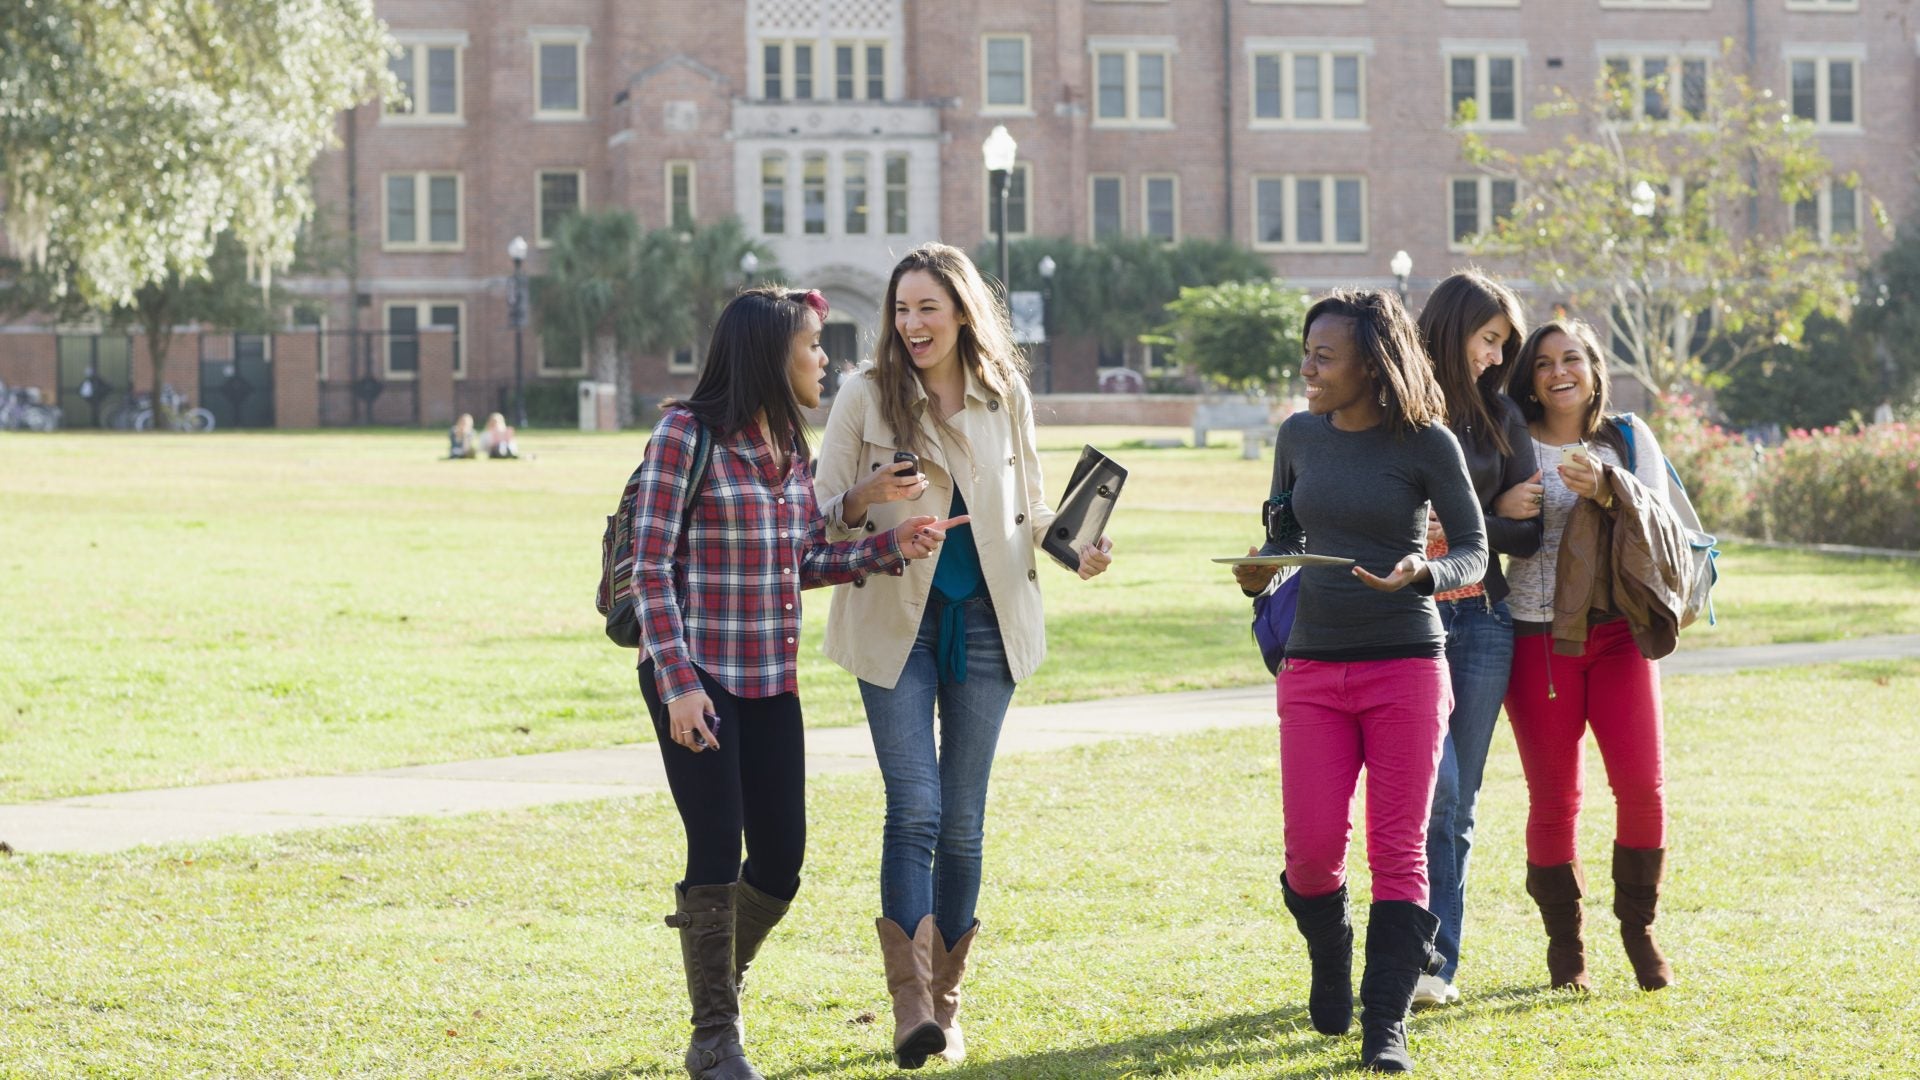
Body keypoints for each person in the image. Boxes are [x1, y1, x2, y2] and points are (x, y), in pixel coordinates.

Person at [632, 285, 966, 1080]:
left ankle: (716, 974)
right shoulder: (686, 433)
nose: (824, 357)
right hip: (697, 675)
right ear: (769, 354)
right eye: (813, 344)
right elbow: (649, 568)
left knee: (781, 860)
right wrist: (678, 683)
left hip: (768, 679)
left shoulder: (788, 448)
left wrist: (893, 547)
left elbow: (800, 561)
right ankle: (715, 1034)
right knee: (716, 843)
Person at [813, 243, 1112, 1070]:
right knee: (913, 808)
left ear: (961, 313)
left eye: (927, 309)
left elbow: (1036, 510)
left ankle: (948, 1003)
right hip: (892, 622)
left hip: (987, 621)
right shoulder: (865, 396)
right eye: (902, 310)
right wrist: (871, 498)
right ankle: (911, 1007)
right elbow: (819, 516)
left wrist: (1078, 548)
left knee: (963, 821)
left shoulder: (1002, 391)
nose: (911, 325)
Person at [1232, 289, 1486, 1074]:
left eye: (1323, 357)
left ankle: (1387, 1026)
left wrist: (1423, 573)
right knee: (1311, 853)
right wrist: (1256, 571)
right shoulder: (1298, 436)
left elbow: (1474, 552)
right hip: (1312, 666)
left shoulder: (1427, 444)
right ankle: (1331, 955)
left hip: (1406, 664)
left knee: (1399, 848)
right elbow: (1282, 534)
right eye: (1306, 353)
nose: (1307, 369)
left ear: (1372, 366)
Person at [1501, 318, 1675, 993]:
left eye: (1571, 358)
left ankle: (1639, 930)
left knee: (1642, 787)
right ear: (1531, 378)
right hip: (1535, 639)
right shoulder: (1508, 440)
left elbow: (1661, 527)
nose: (1557, 371)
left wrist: (1611, 488)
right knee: (1554, 798)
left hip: (1617, 633)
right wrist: (1503, 501)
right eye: (1542, 362)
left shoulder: (1628, 439)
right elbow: (1468, 520)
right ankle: (1566, 950)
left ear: (1595, 369)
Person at [1409, 270, 1543, 1008]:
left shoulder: (1501, 418)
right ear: (1453, 326)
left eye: (1504, 344)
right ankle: (1411, 950)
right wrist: (1488, 511)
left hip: (1485, 621)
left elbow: (1528, 529)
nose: (1497, 357)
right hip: (1411, 621)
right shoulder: (1398, 405)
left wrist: (1476, 522)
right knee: (1434, 797)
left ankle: (1436, 966)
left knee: (1458, 809)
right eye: (1489, 338)